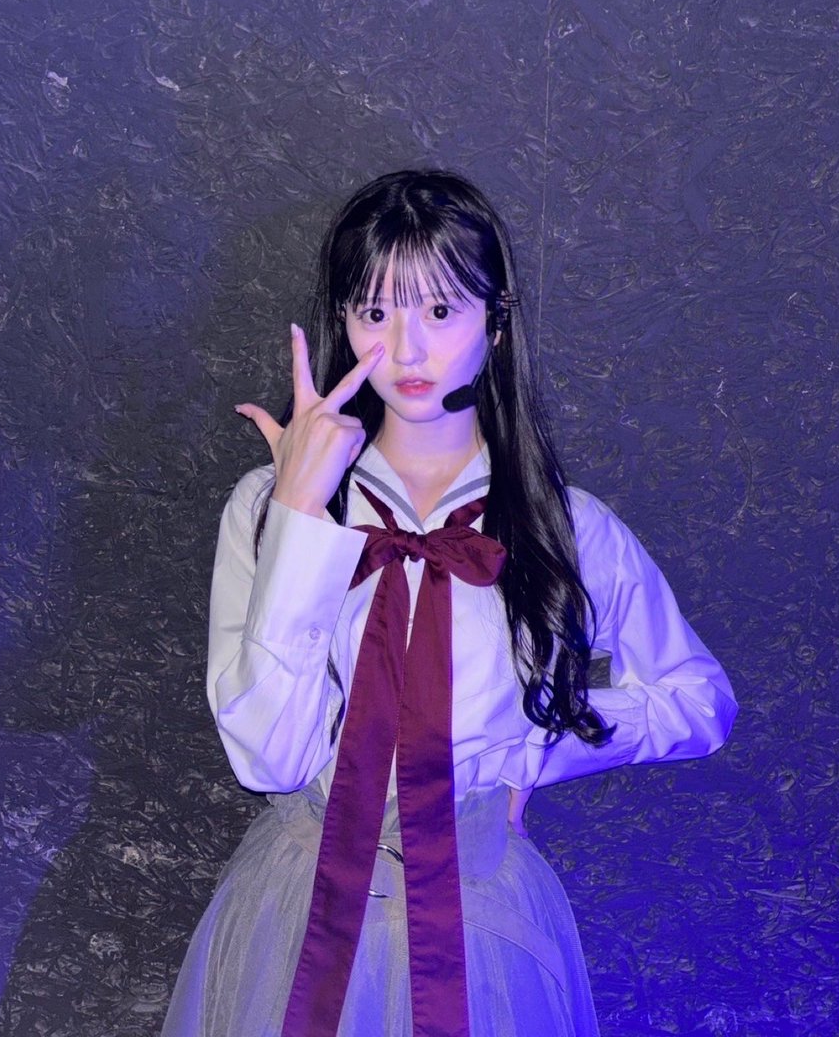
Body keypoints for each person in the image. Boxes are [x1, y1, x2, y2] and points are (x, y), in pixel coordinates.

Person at [161, 169, 737, 1037]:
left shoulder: (566, 528)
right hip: (298, 908)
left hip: (481, 917)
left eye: (439, 310)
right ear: (342, 321)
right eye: (375, 311)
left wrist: (538, 742)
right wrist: (301, 514)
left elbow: (701, 702)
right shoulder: (267, 507)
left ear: (495, 322)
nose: (405, 350)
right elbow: (271, 762)